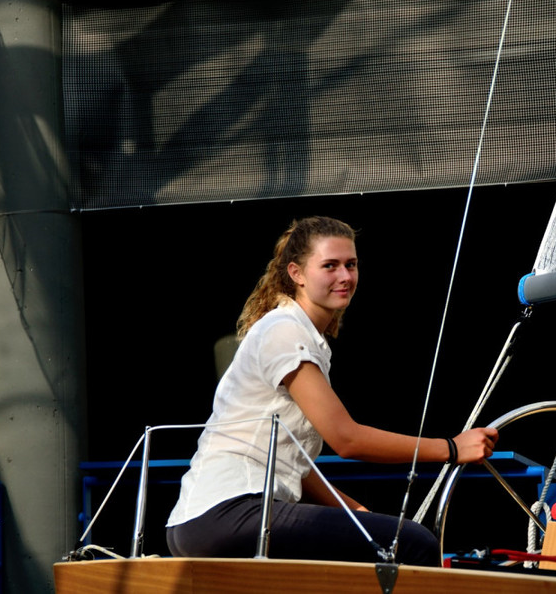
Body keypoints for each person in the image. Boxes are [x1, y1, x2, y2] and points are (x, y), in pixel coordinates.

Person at [165, 216, 498, 566]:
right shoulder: (285, 332)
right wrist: (451, 448)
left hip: (202, 521)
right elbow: (346, 439)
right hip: (230, 512)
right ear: (297, 273)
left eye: (351, 265)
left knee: (377, 541)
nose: (345, 277)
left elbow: (297, 464)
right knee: (413, 543)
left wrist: (353, 508)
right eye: (330, 266)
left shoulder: (303, 335)